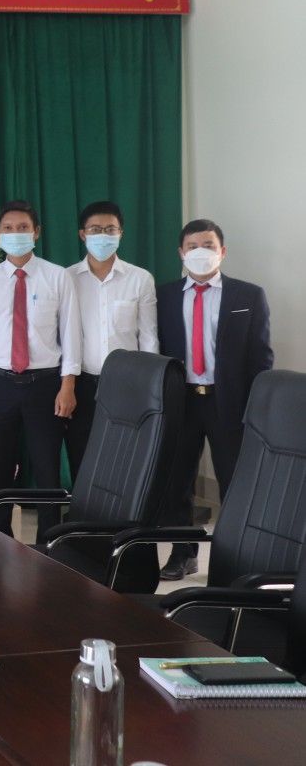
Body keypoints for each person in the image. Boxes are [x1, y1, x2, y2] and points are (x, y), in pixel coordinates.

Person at [155, 218, 273, 580]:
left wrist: (256, 408)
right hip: (182, 401)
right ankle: (183, 553)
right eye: (193, 246)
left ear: (222, 251)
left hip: (229, 402)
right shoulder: (164, 295)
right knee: (177, 482)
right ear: (181, 252)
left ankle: (233, 557)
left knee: (233, 483)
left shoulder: (248, 295)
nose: (200, 252)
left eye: (208, 246)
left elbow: (261, 357)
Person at [0, 201, 81, 539]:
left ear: (36, 233)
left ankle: (50, 542)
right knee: (0, 469)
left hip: (45, 386)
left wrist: (68, 386)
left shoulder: (57, 276)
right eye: (8, 228)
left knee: (47, 469)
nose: (15, 234)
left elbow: (71, 333)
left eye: (23, 228)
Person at [65, 201, 158, 479]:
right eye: (95, 229)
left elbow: (149, 337)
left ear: (120, 234)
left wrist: (148, 385)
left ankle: (121, 508)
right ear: (82, 234)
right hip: (81, 383)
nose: (103, 235)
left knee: (124, 455)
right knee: (81, 453)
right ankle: (82, 506)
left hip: (127, 383)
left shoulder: (140, 279)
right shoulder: (67, 278)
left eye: (110, 229)